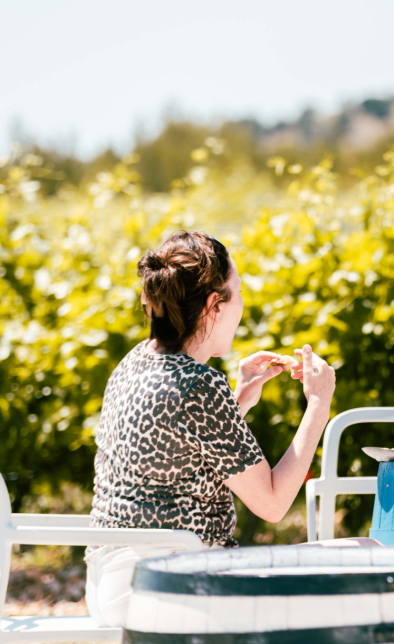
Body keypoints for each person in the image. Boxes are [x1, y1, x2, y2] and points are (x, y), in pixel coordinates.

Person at [86, 231, 337, 627]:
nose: (242, 305)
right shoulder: (199, 386)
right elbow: (272, 504)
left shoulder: (134, 362)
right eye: (236, 293)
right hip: (175, 585)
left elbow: (173, 450)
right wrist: (319, 405)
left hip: (113, 583)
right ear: (212, 305)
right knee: (365, 557)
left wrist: (238, 401)